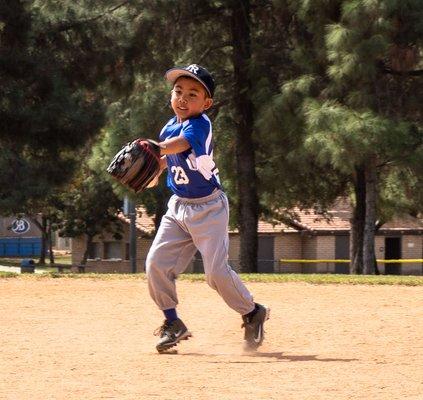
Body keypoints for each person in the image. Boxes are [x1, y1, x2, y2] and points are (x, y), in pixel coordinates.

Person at [146, 64, 270, 353]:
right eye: (178, 91)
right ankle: (173, 322)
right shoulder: (168, 126)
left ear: (206, 103)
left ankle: (252, 312)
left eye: (192, 93)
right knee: (155, 264)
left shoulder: (199, 124)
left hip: (209, 209)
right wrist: (152, 168)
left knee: (215, 273)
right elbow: (168, 158)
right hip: (177, 209)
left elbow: (181, 145)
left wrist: (158, 148)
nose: (183, 98)